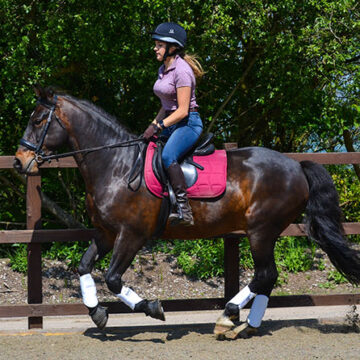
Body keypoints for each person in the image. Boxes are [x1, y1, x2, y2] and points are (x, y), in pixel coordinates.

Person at [143, 22, 204, 226]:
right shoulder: (163, 69)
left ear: (172, 47)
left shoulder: (182, 71)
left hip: (188, 123)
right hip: (170, 121)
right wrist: (152, 124)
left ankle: (183, 209)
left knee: (168, 155)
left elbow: (182, 110)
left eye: (159, 45)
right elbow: (166, 105)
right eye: (156, 44)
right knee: (146, 149)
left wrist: (159, 126)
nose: (155, 48)